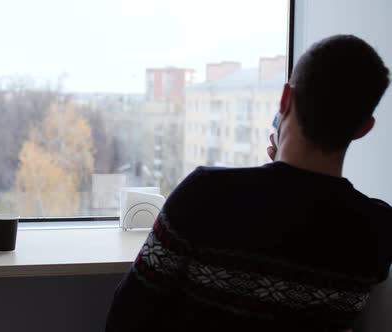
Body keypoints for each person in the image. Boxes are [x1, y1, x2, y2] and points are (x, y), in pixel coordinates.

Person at [106, 35, 392, 332]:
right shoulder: (378, 230)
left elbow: (126, 315)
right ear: (364, 128)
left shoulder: (206, 194)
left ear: (285, 99)